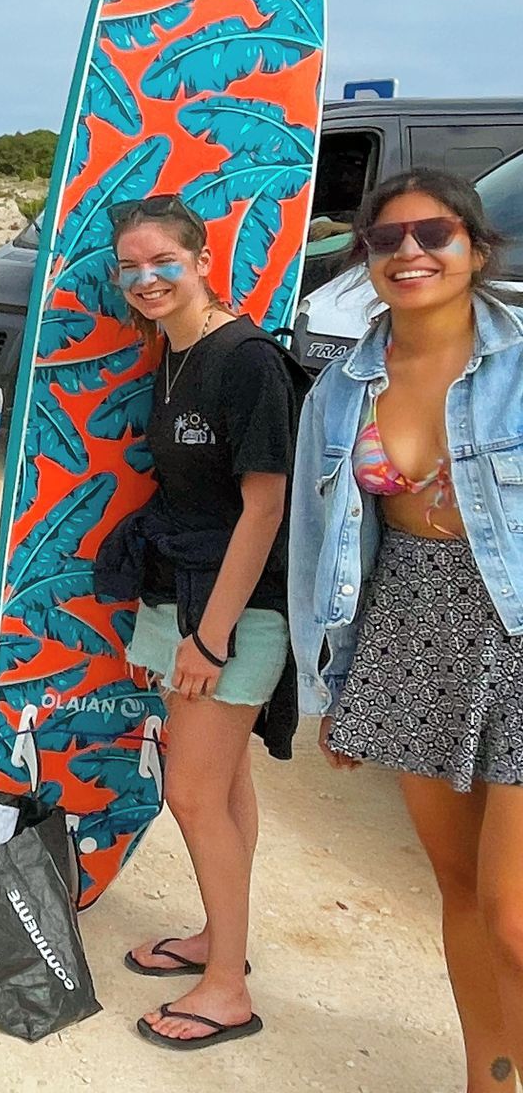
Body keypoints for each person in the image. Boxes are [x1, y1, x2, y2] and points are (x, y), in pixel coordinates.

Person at [291, 169, 523, 1092]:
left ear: (475, 247)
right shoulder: (341, 392)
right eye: (386, 240)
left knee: (512, 910)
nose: (411, 253)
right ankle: (489, 1078)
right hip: (407, 634)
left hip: (514, 628)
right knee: (460, 890)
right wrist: (333, 690)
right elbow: (319, 550)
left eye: (434, 234)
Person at [82, 194, 298, 1052]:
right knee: (227, 787)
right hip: (186, 591)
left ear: (202, 259)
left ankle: (226, 992)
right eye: (129, 267)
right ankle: (223, 942)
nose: (145, 279)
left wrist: (209, 637)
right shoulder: (172, 353)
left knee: (193, 793)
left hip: (235, 611)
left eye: (162, 262)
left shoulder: (244, 360)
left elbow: (266, 506)